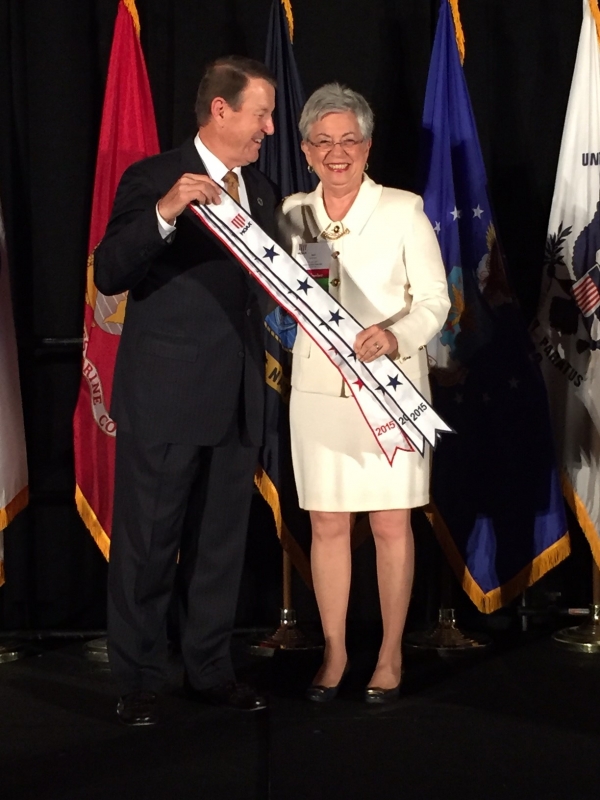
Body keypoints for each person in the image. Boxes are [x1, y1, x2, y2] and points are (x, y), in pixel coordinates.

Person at [94, 56, 279, 725]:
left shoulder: (262, 189)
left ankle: (209, 669)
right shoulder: (152, 178)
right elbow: (110, 271)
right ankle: (140, 677)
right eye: (261, 113)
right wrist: (167, 211)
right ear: (221, 111)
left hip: (238, 397)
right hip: (166, 397)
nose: (270, 127)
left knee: (219, 546)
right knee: (147, 545)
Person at [277, 83, 451, 703]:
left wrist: (396, 336)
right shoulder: (293, 214)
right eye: (323, 141)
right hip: (320, 393)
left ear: (368, 146)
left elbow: (436, 300)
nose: (337, 152)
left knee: (390, 523)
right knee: (326, 523)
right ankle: (335, 652)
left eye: (349, 139)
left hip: (391, 390)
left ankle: (389, 654)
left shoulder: (403, 210)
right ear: (305, 150)